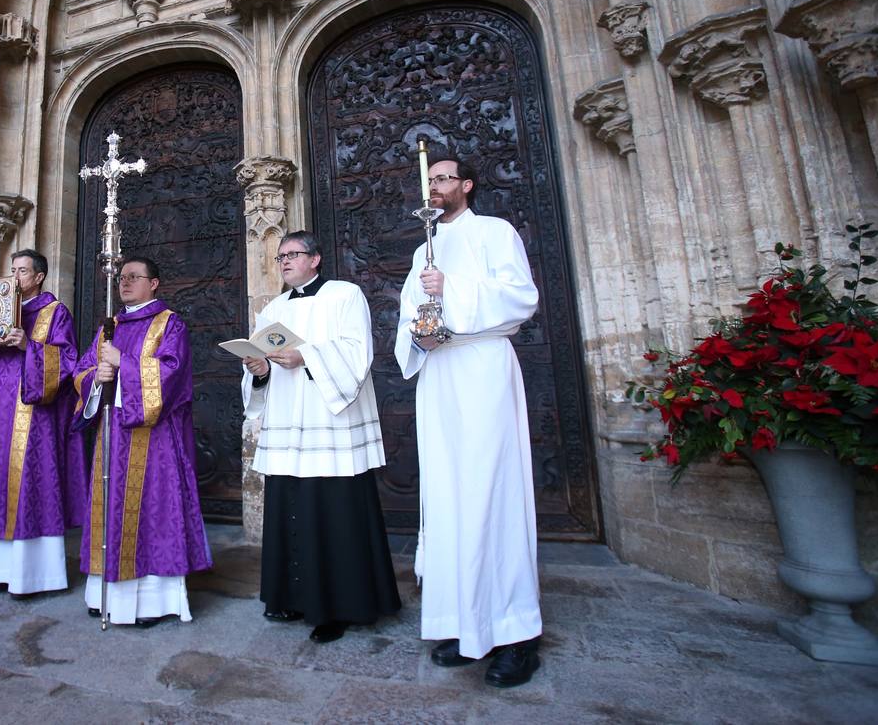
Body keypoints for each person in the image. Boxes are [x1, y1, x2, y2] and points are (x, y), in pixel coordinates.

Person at [393, 155, 543, 688]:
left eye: (443, 179)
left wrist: (448, 290)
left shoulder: (495, 233)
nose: (434, 187)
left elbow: (521, 297)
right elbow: (412, 314)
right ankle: (463, 622)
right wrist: (420, 332)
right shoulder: (422, 250)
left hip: (481, 368)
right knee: (449, 495)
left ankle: (515, 634)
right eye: (429, 181)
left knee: (489, 492)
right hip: (440, 373)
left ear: (467, 185)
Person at [241, 231, 401, 644]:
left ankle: (338, 607)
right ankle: (290, 596)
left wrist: (305, 356)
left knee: (334, 516)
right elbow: (265, 372)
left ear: (315, 259)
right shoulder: (273, 308)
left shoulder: (345, 295)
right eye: (280, 258)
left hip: (332, 428)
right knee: (289, 507)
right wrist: (260, 371)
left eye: (293, 254)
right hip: (288, 425)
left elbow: (357, 351)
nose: (285, 262)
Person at [72, 256, 211, 625]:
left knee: (151, 510)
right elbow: (80, 372)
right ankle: (104, 594)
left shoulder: (170, 324)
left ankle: (151, 602)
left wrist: (124, 362)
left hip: (155, 439)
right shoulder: (109, 325)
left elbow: (173, 375)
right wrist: (95, 377)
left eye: (135, 277)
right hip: (112, 433)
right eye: (121, 277)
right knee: (109, 507)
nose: (125, 282)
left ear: (154, 284)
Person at [0, 249, 85, 595]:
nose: (15, 277)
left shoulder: (54, 312)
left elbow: (68, 360)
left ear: (39, 276)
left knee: (32, 479)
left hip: (36, 412)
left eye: (23, 271)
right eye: (12, 270)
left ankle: (35, 575)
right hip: (2, 409)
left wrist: (29, 345)